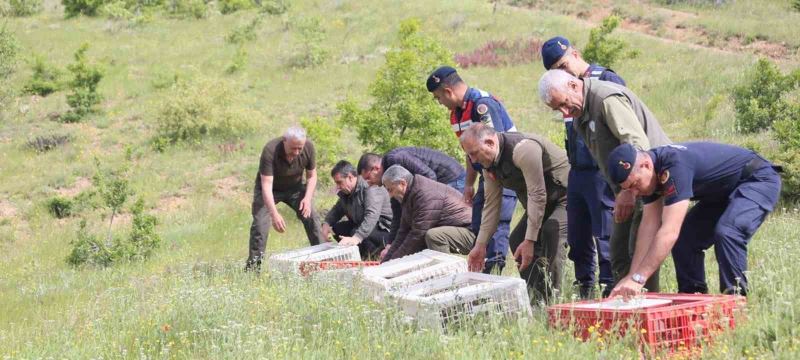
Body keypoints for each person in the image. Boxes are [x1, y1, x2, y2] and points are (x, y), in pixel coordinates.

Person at [538, 69, 671, 294]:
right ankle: (626, 311)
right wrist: (621, 191)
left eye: (564, 103)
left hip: (650, 182)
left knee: (638, 250)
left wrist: (628, 191)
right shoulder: (580, 113)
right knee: (618, 252)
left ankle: (649, 309)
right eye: (557, 109)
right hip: (628, 187)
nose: (564, 111)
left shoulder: (606, 100)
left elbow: (638, 145)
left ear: (573, 85)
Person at [605, 143, 781, 298]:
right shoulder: (648, 177)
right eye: (628, 189)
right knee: (686, 239)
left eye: (635, 184)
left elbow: (669, 231)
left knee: (728, 232)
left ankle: (736, 301)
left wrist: (639, 278)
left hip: (757, 179)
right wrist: (632, 275)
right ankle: (693, 299)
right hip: (721, 192)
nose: (634, 193)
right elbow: (648, 228)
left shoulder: (674, 166)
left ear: (645, 165)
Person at [541, 36, 626, 297]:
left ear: (576, 55)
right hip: (577, 171)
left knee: (605, 234)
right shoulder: (564, 91)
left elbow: (622, 129)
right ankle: (585, 289)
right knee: (577, 237)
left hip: (603, 171)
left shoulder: (606, 79)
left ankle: (610, 287)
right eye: (556, 70)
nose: (563, 72)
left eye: (564, 65)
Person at [460, 124, 568, 302]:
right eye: (469, 155)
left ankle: (554, 302)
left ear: (489, 142)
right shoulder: (488, 164)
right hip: (542, 203)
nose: (473, 161)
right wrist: (480, 245)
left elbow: (537, 194)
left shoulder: (523, 149)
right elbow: (492, 206)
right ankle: (537, 300)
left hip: (566, 196)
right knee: (517, 239)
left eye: (474, 153)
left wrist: (531, 239)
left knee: (551, 232)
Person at [427, 65, 518, 274]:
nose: (440, 103)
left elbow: (496, 148)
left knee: (496, 226)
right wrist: (469, 184)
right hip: (486, 176)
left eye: (438, 98)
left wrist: (491, 179)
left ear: (448, 91)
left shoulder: (481, 105)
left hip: (504, 174)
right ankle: (482, 272)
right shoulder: (456, 115)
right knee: (479, 226)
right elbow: (471, 153)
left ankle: (494, 275)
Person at [357, 147, 466, 258]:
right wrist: (390, 244)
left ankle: (447, 261)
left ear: (375, 168)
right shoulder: (392, 181)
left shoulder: (396, 159)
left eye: (368, 178)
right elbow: (398, 213)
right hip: (437, 182)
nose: (369, 184)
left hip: (452, 177)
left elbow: (430, 179)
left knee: (431, 226)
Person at [246, 126, 323, 271]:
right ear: (284, 141)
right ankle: (253, 270)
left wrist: (307, 198)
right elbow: (266, 185)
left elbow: (312, 176)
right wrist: (274, 214)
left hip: (294, 188)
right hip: (270, 190)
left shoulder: (308, 148)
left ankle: (325, 262)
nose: (297, 152)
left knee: (312, 217)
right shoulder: (270, 150)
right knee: (260, 226)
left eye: (299, 148)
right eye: (293, 148)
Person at [380, 165, 474, 261]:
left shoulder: (425, 194)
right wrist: (385, 262)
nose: (390, 195)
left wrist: (394, 262)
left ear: (403, 183)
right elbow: (403, 232)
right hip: (456, 231)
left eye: (390, 190)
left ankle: (447, 272)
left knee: (434, 236)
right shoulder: (410, 194)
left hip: (471, 233)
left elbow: (418, 234)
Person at [322, 160, 393, 260]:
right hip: (366, 227)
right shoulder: (346, 192)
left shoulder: (370, 188)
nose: (338, 186)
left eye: (339, 182)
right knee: (337, 229)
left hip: (385, 231)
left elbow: (371, 216)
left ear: (350, 177)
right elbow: (337, 209)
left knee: (355, 232)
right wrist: (326, 223)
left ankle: (375, 258)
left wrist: (357, 237)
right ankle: (357, 256)